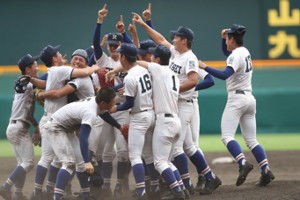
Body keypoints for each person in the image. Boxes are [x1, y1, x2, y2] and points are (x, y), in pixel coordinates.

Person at [133, 13, 221, 195]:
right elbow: (160, 39)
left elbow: (194, 80)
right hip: (178, 104)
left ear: (184, 40)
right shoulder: (175, 51)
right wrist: (143, 24)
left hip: (183, 104)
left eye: (176, 37)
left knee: (176, 149)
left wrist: (173, 90)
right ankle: (210, 177)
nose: (173, 38)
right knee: (188, 147)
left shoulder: (190, 57)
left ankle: (184, 185)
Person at [198, 24, 275, 187]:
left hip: (237, 100)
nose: (226, 41)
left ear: (233, 39)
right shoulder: (244, 51)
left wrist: (205, 67)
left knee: (227, 136)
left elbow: (225, 74)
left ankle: (242, 163)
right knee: (252, 140)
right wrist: (222, 39)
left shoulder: (236, 55)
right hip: (249, 99)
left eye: (227, 38)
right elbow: (228, 55)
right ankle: (266, 170)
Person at [30, 45, 99, 200]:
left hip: (63, 122)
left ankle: (83, 194)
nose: (61, 54)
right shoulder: (60, 70)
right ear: (54, 58)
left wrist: (32, 81)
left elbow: (45, 85)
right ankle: (39, 192)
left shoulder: (57, 71)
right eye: (58, 53)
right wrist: (94, 66)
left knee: (76, 160)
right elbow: (85, 72)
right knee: (54, 159)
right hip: (53, 122)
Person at [39, 87, 128, 200]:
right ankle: (57, 197)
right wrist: (88, 162)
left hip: (66, 129)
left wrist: (119, 127)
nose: (114, 103)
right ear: (103, 103)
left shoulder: (97, 103)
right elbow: (83, 139)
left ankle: (86, 196)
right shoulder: (90, 112)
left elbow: (104, 114)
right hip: (55, 128)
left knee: (80, 163)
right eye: (112, 101)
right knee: (69, 163)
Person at [88, 4, 132, 199]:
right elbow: (96, 45)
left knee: (123, 152)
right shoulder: (104, 61)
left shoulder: (128, 62)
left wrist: (125, 34)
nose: (114, 48)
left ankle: (121, 184)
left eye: (117, 45)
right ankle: (106, 185)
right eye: (111, 45)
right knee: (106, 152)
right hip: (107, 112)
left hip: (123, 108)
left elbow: (134, 49)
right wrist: (99, 21)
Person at [136, 44, 186, 199]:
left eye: (153, 56)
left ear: (157, 59)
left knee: (159, 163)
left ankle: (177, 193)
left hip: (165, 122)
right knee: (168, 161)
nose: (150, 57)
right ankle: (183, 189)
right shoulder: (172, 74)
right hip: (176, 121)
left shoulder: (158, 69)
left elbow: (139, 63)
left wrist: (129, 59)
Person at [109, 43, 155, 200]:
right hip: (151, 114)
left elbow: (128, 103)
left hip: (139, 117)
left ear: (123, 57)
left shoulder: (129, 77)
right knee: (148, 155)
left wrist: (115, 108)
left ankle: (141, 191)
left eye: (120, 55)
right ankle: (154, 186)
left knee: (135, 156)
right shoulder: (143, 70)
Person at [0, 54, 40, 200]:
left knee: (22, 164)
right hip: (18, 128)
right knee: (28, 163)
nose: (37, 66)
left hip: (17, 127)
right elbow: (20, 82)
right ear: (28, 69)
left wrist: (37, 127)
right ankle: (5, 187)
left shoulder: (29, 85)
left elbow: (28, 114)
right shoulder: (23, 83)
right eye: (35, 64)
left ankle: (17, 194)